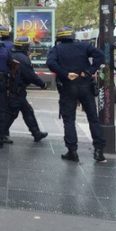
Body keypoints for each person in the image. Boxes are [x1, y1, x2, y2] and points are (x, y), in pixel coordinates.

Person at [47, 26, 106, 162]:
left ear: (59, 38)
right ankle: (99, 151)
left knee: (69, 120)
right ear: (73, 36)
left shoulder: (56, 49)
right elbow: (100, 55)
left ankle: (72, 151)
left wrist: (65, 74)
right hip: (85, 85)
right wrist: (89, 70)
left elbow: (50, 63)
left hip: (68, 86)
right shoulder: (83, 46)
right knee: (93, 118)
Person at [5, 36, 49, 142]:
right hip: (16, 90)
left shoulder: (11, 54)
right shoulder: (23, 59)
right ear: (24, 47)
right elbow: (30, 75)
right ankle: (1, 133)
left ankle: (36, 133)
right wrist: (43, 84)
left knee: (27, 111)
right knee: (12, 113)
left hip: (13, 89)